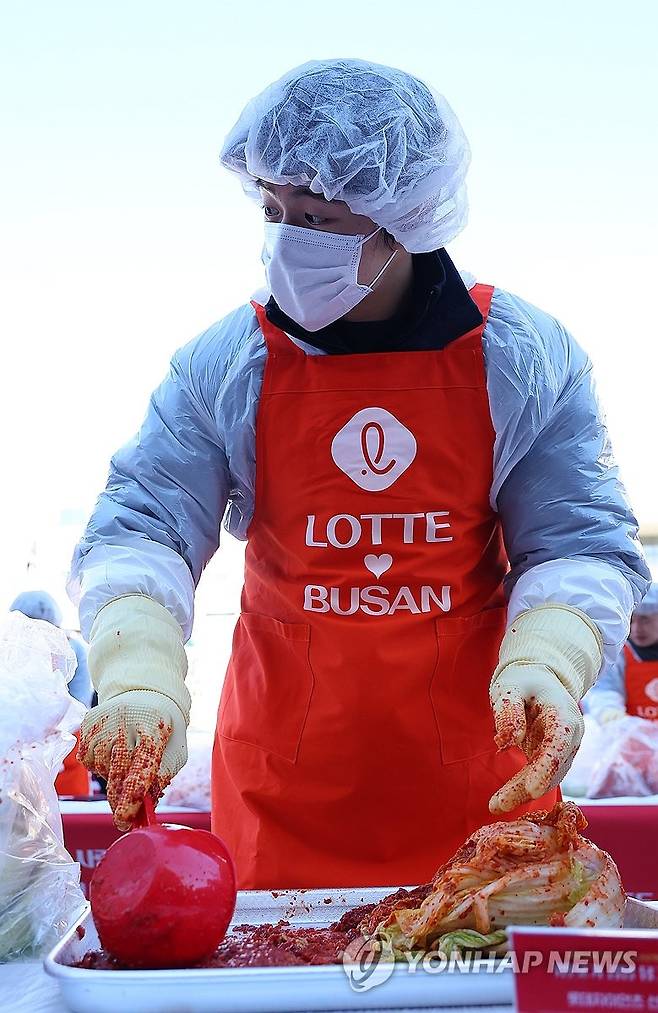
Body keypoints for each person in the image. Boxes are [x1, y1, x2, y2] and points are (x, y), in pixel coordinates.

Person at [67, 58, 649, 889]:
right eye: (273, 209)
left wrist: (550, 658)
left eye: (318, 217)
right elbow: (144, 525)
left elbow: (578, 543)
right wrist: (137, 666)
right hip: (283, 794)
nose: (286, 238)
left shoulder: (519, 359)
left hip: (480, 797)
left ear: (401, 218)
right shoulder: (229, 364)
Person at [10, 590, 93, 796]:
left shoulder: (73, 650)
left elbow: (79, 705)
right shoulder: (9, 651)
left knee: (67, 815)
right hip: (17, 749)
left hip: (65, 744)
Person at [584, 583, 658, 723]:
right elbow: (604, 692)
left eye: (645, 620)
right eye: (631, 620)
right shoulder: (618, 655)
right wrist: (610, 714)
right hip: (633, 739)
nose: (636, 628)